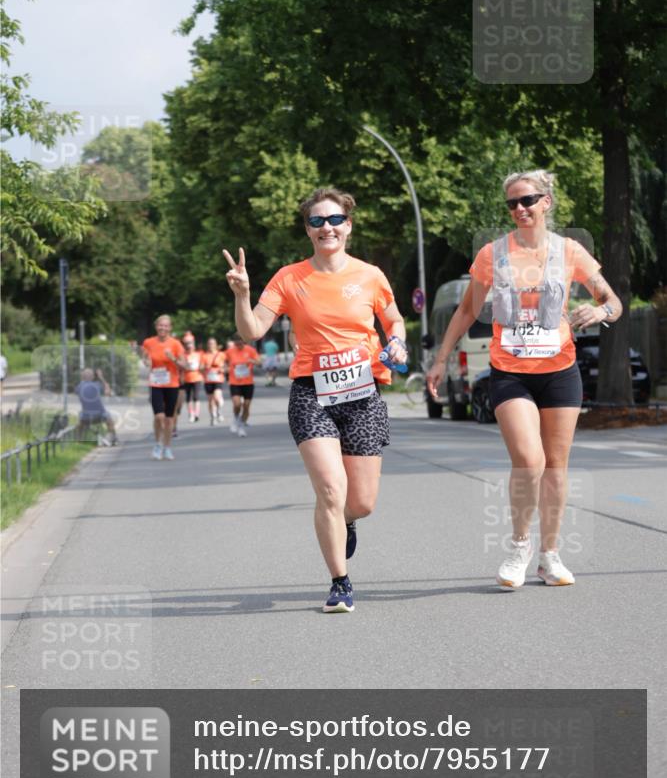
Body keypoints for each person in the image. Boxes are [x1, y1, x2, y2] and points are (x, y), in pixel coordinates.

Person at [427, 170, 622, 590]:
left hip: (559, 371)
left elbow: (613, 301)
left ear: (546, 201)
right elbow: (465, 311)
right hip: (511, 371)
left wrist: (601, 312)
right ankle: (519, 547)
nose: (520, 209)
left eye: (528, 200)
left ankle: (550, 556)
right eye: (512, 204)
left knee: (556, 467)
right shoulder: (492, 255)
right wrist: (441, 359)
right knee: (529, 461)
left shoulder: (570, 251)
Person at [223, 187, 407, 613]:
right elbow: (252, 331)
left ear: (348, 225)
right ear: (308, 229)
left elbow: (394, 318)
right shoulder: (289, 278)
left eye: (335, 220)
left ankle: (346, 521)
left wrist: (396, 341)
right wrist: (242, 295)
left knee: (360, 501)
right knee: (329, 487)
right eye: (317, 221)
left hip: (362, 394)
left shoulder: (370, 275)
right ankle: (340, 581)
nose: (327, 228)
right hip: (312, 394)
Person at [141, 315, 187, 460]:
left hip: (172, 384)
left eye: (166, 326)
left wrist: (172, 358)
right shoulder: (148, 342)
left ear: (170, 328)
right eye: (161, 325)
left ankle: (167, 447)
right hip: (156, 383)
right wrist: (147, 362)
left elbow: (184, 365)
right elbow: (145, 360)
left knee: (169, 419)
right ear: (156, 327)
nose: (163, 328)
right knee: (158, 416)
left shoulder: (176, 344)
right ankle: (158, 444)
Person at [225, 335, 261, 436]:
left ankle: (241, 425)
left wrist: (252, 361)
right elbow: (224, 362)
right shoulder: (230, 351)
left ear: (243, 341)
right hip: (234, 382)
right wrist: (225, 368)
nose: (238, 344)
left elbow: (259, 362)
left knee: (246, 406)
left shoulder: (250, 350)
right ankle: (236, 419)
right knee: (237, 404)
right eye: (236, 342)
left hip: (248, 382)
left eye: (240, 341)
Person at [75, 368, 118, 445]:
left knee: (79, 424)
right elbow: (108, 393)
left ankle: (79, 441)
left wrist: (83, 378)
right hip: (100, 415)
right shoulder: (97, 385)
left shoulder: (79, 387)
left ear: (82, 377)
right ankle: (113, 439)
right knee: (110, 421)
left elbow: (79, 390)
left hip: (86, 417)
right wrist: (101, 377)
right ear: (93, 377)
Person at [202, 337, 226, 424]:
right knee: (210, 400)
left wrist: (222, 369)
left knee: (217, 397)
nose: (211, 345)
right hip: (208, 380)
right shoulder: (204, 355)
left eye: (212, 343)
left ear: (216, 345)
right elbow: (200, 368)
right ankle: (213, 416)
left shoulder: (221, 354)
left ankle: (219, 411)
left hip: (218, 379)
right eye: (209, 343)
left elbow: (226, 366)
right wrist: (205, 367)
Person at [182, 334, 205, 423]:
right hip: (187, 378)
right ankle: (191, 414)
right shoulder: (183, 355)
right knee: (188, 397)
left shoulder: (198, 354)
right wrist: (186, 366)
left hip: (197, 377)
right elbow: (181, 366)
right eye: (187, 345)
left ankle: (196, 414)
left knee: (196, 396)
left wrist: (201, 368)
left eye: (190, 345)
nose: (189, 347)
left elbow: (202, 365)